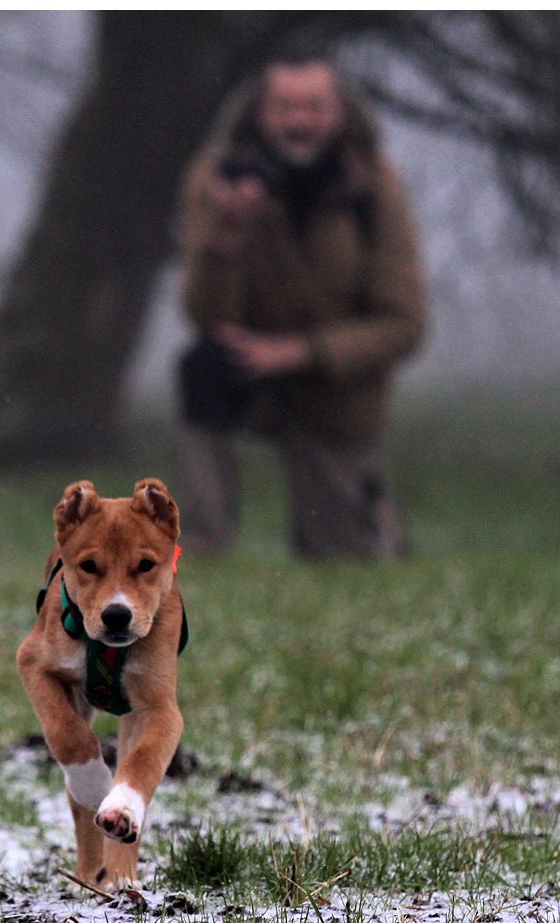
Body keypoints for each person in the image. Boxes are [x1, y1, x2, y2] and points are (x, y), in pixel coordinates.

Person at [174, 52, 427, 559]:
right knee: (200, 366)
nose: (298, 122)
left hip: (337, 392)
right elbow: (203, 317)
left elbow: (406, 324)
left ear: (341, 113)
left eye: (314, 106)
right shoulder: (218, 177)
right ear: (257, 114)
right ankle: (201, 541)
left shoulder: (374, 186)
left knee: (338, 556)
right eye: (283, 107)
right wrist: (222, 240)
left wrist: (298, 352)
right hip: (247, 374)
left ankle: (376, 520)